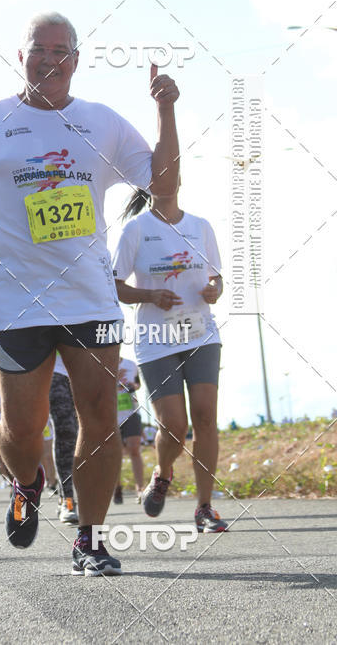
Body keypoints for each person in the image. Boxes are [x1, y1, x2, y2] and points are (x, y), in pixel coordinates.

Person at [0, 11, 179, 575]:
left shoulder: (102, 123)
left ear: (76, 61)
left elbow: (163, 187)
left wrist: (165, 111)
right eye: (39, 48)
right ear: (21, 56)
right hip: (13, 300)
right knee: (22, 428)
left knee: (100, 415)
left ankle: (88, 540)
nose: (50, 59)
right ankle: (26, 480)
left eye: (62, 50)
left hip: (89, 296)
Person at [113, 184, 228, 532]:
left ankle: (204, 508)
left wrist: (214, 290)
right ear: (149, 186)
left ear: (179, 182)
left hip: (201, 334)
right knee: (174, 426)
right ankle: (162, 473)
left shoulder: (200, 226)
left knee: (206, 417)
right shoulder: (135, 230)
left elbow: (217, 278)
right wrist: (149, 294)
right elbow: (115, 284)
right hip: (156, 339)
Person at [49, 356, 78, 524]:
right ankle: (68, 500)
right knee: (65, 431)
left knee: (82, 432)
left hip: (84, 364)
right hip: (52, 366)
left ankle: (66, 498)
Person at [113, 356, 143, 504]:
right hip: (111, 414)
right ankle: (117, 487)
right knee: (116, 453)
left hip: (131, 411)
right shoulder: (100, 364)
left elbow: (138, 384)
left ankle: (140, 489)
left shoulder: (131, 364)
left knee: (134, 449)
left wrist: (132, 386)